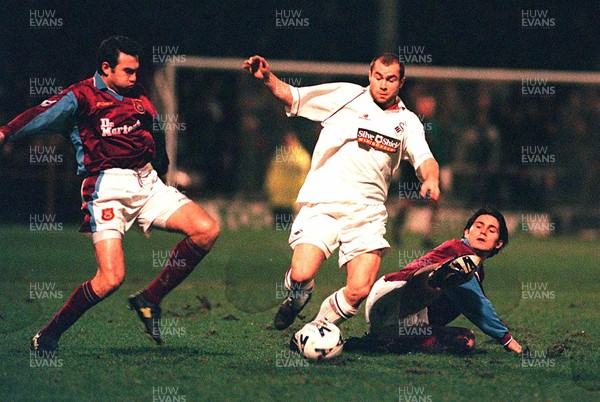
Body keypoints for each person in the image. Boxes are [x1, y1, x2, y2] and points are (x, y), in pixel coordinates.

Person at [0, 35, 220, 352]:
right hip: (106, 188)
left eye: (136, 71)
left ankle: (150, 298)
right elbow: (40, 114)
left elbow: (155, 133)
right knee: (111, 278)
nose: (134, 78)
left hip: (147, 183)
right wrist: (6, 132)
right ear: (106, 68)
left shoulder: (138, 94)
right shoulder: (81, 96)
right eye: (128, 71)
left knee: (206, 231)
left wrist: (160, 171)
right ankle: (48, 335)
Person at [242, 53, 440, 332]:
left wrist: (431, 179)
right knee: (301, 273)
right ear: (370, 75)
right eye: (378, 77)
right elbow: (293, 96)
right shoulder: (344, 96)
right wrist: (267, 78)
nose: (383, 84)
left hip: (367, 213)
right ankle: (297, 296)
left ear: (401, 82)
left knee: (359, 290)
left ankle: (315, 330)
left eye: (391, 79)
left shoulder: (409, 123)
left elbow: (425, 158)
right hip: (324, 201)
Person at [363, 207, 523, 354]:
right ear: (467, 232)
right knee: (454, 281)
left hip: (395, 311)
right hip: (389, 299)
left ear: (498, 243)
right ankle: (394, 339)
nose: (483, 232)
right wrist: (506, 338)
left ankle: (395, 339)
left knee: (465, 339)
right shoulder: (460, 254)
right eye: (479, 226)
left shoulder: (470, 263)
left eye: (491, 230)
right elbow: (475, 303)